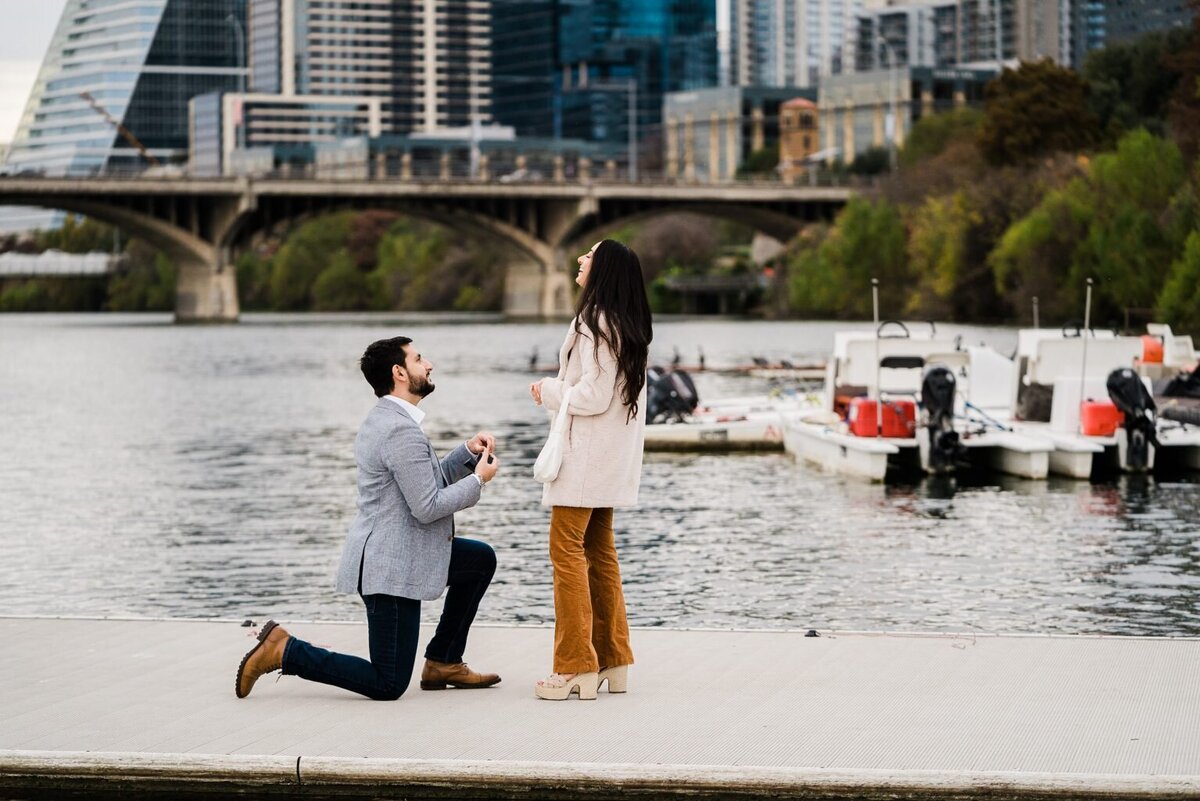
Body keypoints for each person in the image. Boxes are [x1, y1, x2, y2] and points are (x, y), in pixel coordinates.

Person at [235, 336, 502, 700]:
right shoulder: (398, 429)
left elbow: (420, 482)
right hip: (389, 569)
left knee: (479, 559)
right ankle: (285, 651)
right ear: (399, 372)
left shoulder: (387, 419)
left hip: (402, 552)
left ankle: (443, 660)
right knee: (388, 683)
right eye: (419, 359)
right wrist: (478, 480)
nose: (429, 365)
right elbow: (427, 506)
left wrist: (465, 454)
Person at [528, 239, 653, 700]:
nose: (580, 260)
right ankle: (612, 659)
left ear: (603, 269)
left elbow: (591, 396)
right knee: (600, 554)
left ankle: (575, 665)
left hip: (583, 460)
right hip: (610, 459)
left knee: (566, 554)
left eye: (589, 256)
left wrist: (548, 389)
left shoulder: (593, 321)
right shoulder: (629, 324)